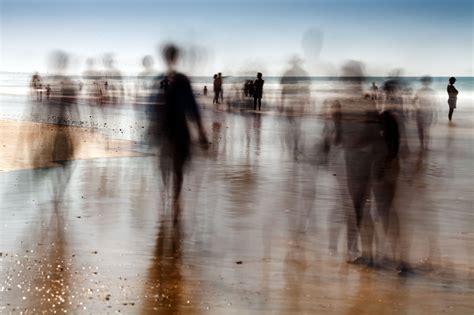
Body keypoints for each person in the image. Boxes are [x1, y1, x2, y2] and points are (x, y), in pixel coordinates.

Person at [151, 44, 209, 224]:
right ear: (176, 57)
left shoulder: (161, 79)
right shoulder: (181, 79)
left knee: (165, 167)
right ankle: (175, 202)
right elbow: (191, 107)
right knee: (177, 169)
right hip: (177, 129)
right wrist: (200, 133)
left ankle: (166, 200)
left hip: (165, 129)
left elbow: (153, 107)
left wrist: (152, 128)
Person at [413, 76, 437, 151]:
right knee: (423, 130)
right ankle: (424, 146)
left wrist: (417, 108)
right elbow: (413, 101)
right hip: (425, 112)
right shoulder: (429, 91)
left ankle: (424, 146)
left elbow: (413, 101)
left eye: (426, 81)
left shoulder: (421, 91)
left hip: (425, 112)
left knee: (424, 130)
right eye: (425, 81)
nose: (426, 83)